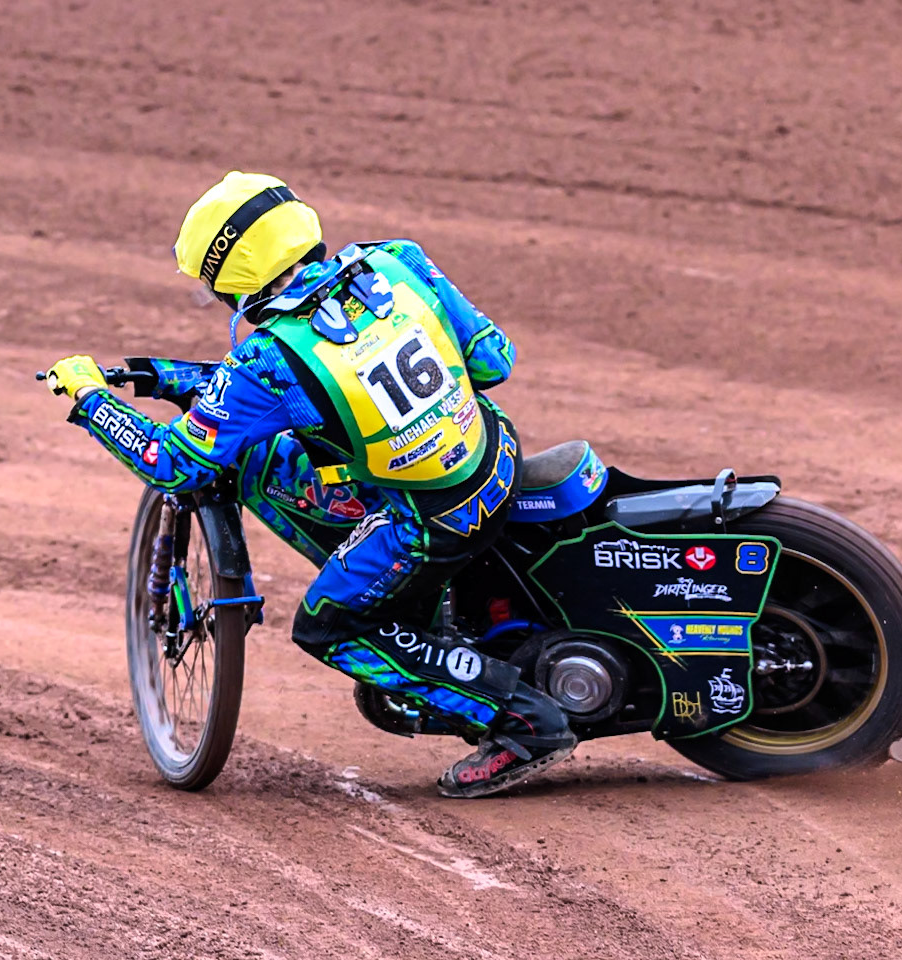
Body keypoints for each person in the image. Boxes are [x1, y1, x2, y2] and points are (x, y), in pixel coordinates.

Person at [44, 171, 576, 797]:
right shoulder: (397, 261)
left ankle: (523, 722)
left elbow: (172, 462)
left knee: (325, 626)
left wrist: (88, 399)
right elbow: (493, 361)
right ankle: (438, 628)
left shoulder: (267, 358)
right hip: (496, 453)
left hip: (432, 519)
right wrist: (159, 377)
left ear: (232, 277)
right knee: (304, 459)